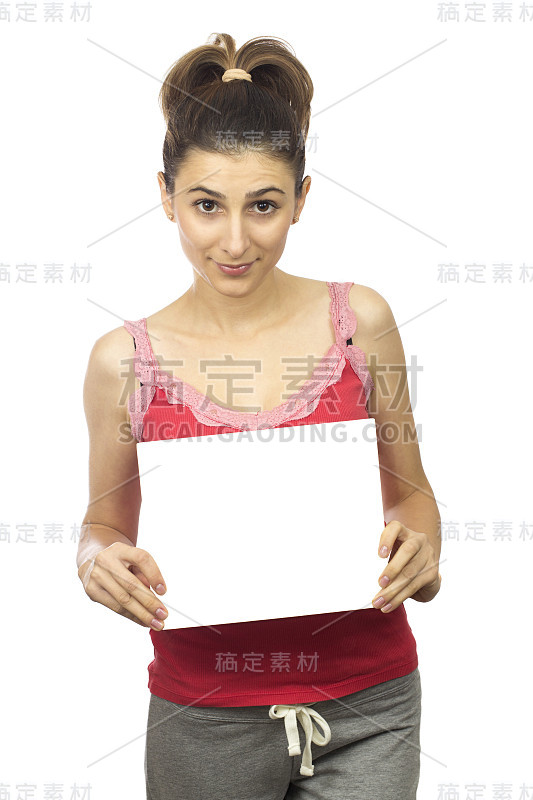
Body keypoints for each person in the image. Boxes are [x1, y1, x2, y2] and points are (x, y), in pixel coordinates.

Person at [77, 32, 442, 800]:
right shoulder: (124, 362)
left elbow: (411, 494)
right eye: (206, 205)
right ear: (166, 193)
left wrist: (421, 549)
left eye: (265, 206)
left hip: (370, 700)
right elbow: (105, 526)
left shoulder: (359, 322)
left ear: (301, 200)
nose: (234, 240)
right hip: (202, 712)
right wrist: (95, 564)